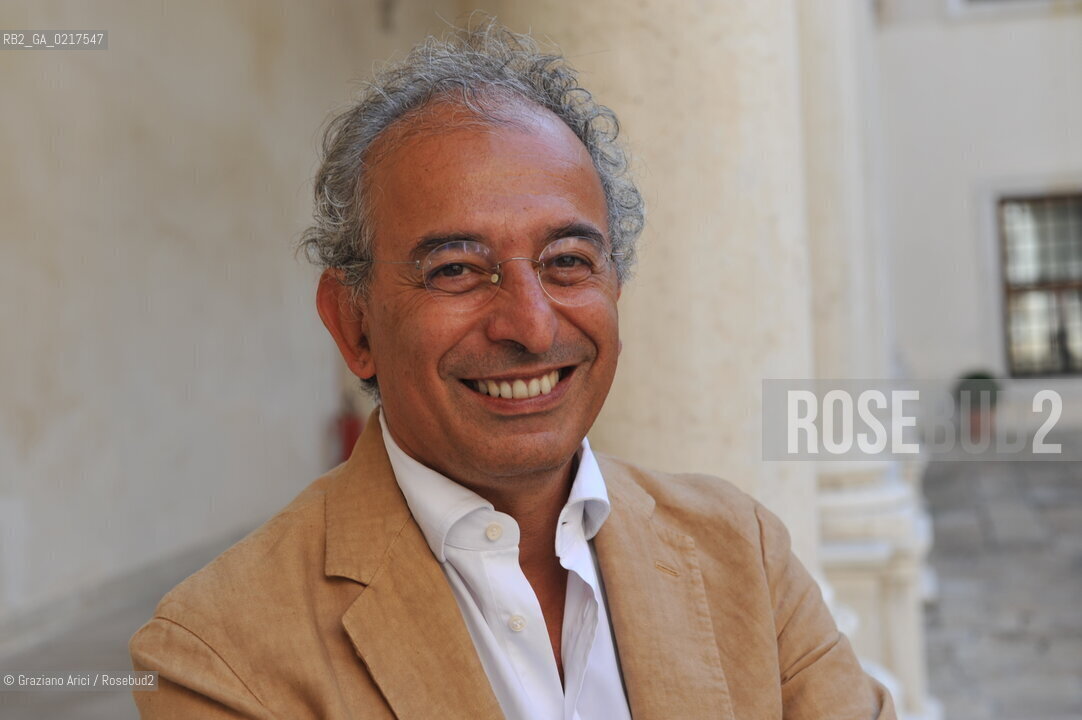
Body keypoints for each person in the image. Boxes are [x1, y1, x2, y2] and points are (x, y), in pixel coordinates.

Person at [129, 20, 896, 720]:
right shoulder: (218, 654)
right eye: (458, 270)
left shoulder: (743, 555)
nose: (530, 326)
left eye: (567, 262)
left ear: (615, 289)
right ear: (353, 324)